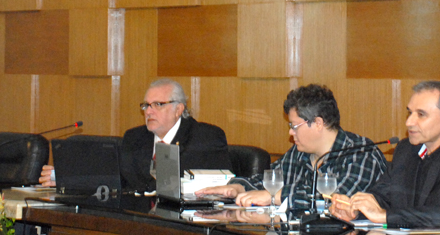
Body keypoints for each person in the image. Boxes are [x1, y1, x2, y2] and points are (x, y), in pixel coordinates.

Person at [329, 81, 440, 231]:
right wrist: (356, 209)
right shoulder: (406, 150)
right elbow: (382, 197)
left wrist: (386, 216)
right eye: (410, 113)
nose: (409, 122)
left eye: (421, 114)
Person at [196, 84, 387, 210]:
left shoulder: (362, 154)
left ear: (318, 123)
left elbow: (335, 200)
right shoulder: (300, 152)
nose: (290, 132)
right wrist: (238, 188)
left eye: (294, 126)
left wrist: (275, 197)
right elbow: (270, 180)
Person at [39, 79, 232, 191]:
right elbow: (114, 176)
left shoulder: (206, 137)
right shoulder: (135, 137)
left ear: (178, 109)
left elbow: (217, 185)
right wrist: (66, 177)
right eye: (146, 105)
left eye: (158, 105)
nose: (149, 111)